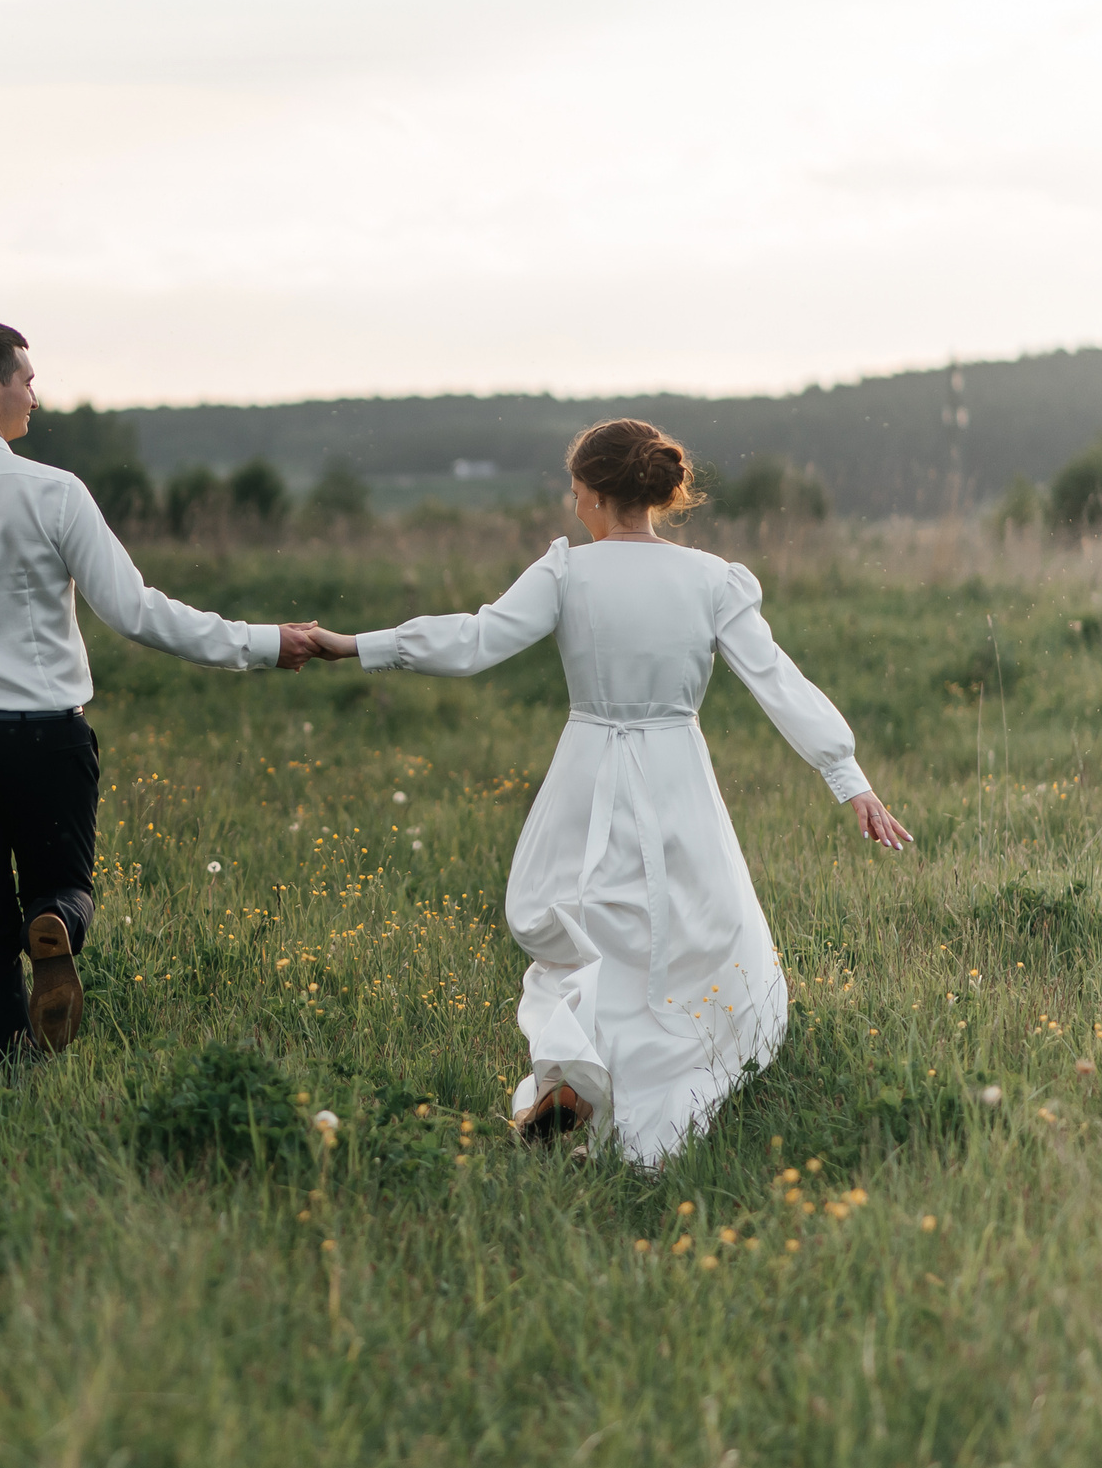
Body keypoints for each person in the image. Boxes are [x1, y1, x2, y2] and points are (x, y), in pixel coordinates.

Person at [300, 419, 911, 1166]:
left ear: (592, 492)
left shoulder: (566, 572)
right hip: (675, 768)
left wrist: (360, 644)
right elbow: (777, 679)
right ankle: (639, 1089)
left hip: (588, 768)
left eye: (574, 488)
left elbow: (474, 639)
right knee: (683, 933)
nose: (572, 500)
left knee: (584, 928)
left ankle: (576, 1079)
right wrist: (848, 775)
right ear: (656, 491)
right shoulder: (711, 578)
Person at [0, 320, 318, 1060]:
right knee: (64, 888)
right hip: (46, 737)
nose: (33, 397)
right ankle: (56, 925)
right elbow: (137, 612)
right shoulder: (55, 492)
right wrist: (266, 642)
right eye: (27, 381)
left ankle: (12, 1078)